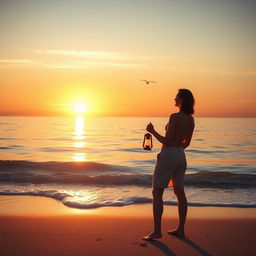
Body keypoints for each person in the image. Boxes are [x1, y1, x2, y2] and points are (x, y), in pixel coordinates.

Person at [142, 88, 195, 241]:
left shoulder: (175, 117)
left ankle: (157, 231)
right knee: (180, 192)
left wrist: (152, 131)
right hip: (180, 155)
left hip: (170, 154)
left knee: (157, 192)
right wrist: (177, 151)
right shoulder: (190, 119)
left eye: (176, 96)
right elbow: (187, 143)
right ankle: (181, 229)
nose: (174, 98)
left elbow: (167, 141)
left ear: (182, 100)